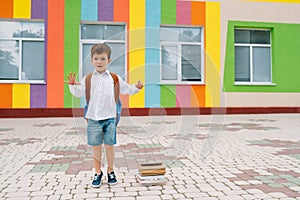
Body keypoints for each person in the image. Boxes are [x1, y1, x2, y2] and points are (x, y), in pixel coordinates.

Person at [65, 43, 144, 188]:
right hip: (93, 118)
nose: (99, 62)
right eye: (96, 59)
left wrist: (136, 88)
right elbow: (79, 92)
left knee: (110, 146)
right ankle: (97, 172)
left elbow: (126, 89)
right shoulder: (88, 78)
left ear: (109, 61)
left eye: (102, 59)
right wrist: (72, 85)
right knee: (96, 146)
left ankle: (111, 171)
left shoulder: (114, 78)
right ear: (91, 60)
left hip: (110, 118)